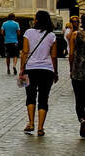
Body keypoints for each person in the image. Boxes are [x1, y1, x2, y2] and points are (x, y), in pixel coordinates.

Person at [19, 9, 59, 137]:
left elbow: (24, 52)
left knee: (30, 96)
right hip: (47, 70)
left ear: (36, 20)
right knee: (43, 98)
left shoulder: (28, 33)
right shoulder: (51, 35)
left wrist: (21, 69)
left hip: (30, 69)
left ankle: (31, 123)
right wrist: (55, 71)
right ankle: (41, 127)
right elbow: (54, 56)